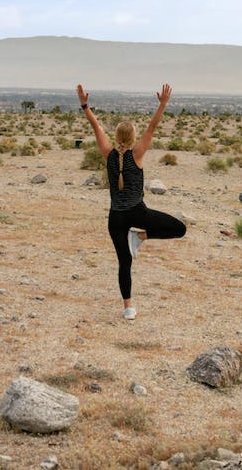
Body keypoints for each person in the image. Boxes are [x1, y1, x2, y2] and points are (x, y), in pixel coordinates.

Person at [76, 83, 186, 321]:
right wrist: (163, 103)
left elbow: (95, 126)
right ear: (134, 137)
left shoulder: (108, 153)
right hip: (138, 213)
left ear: (116, 138)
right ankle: (140, 237)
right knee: (179, 228)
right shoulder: (137, 154)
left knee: (124, 262)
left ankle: (128, 308)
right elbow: (153, 126)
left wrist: (85, 104)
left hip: (115, 217)